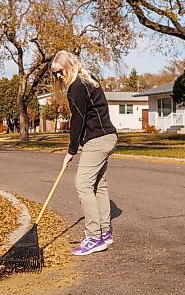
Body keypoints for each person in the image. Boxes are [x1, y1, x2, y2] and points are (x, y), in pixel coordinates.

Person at [50, 50, 118, 256]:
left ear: (69, 66)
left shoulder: (77, 87)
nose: (58, 77)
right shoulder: (89, 79)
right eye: (54, 74)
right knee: (99, 186)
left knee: (83, 185)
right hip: (108, 136)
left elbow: (77, 121)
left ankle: (94, 237)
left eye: (59, 72)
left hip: (97, 139)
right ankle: (105, 233)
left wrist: (72, 149)